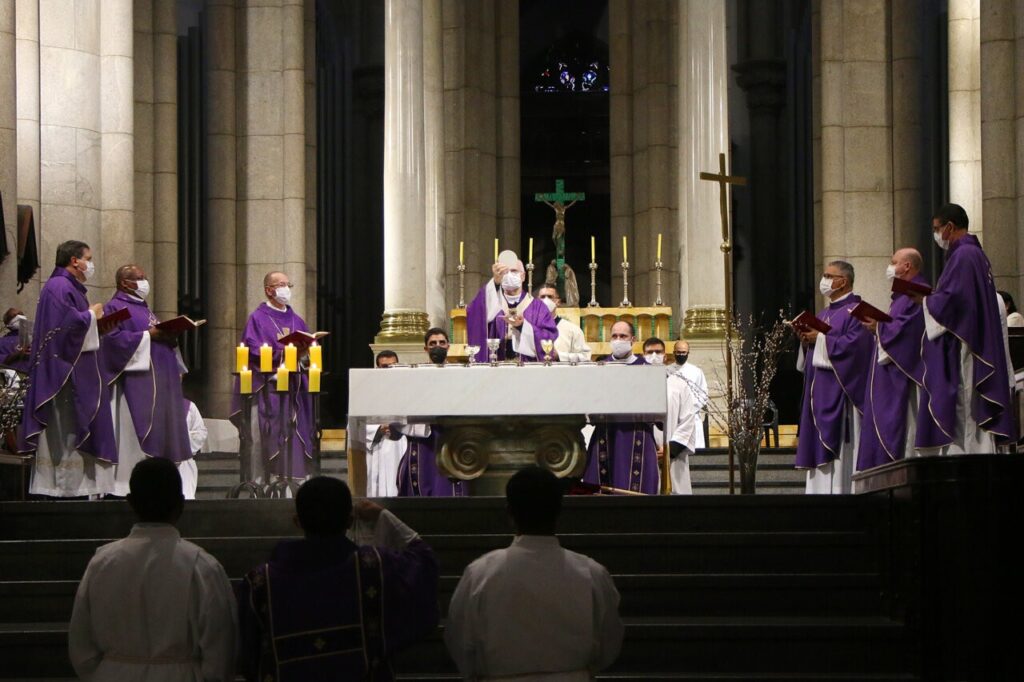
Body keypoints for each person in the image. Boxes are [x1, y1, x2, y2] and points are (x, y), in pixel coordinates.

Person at [237, 477, 439, 681]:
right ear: (350, 521)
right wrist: (382, 515)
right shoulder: (373, 568)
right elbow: (424, 562)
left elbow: (248, 659)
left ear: (297, 522)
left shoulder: (260, 584)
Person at [445, 467, 623, 680]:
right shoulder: (591, 573)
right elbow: (609, 642)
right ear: (559, 511)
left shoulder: (480, 574)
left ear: (509, 513)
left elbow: (460, 641)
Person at [68, 458, 237, 681]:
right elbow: (221, 651)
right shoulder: (201, 567)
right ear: (180, 503)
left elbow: (81, 646)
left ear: (130, 502)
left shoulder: (102, 563)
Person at [913, 204, 1016, 452]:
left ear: (950, 227)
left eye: (937, 229)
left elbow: (956, 301)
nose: (936, 235)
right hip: (974, 339)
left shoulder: (965, 255)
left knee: (967, 409)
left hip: (969, 345)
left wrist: (925, 300)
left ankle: (972, 467)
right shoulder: (972, 254)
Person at [20, 240, 119, 497]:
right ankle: (63, 489)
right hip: (63, 378)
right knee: (65, 433)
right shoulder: (59, 286)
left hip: (74, 371)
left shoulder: (68, 287)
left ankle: (72, 488)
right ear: (75, 260)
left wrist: (95, 322)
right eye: (89, 257)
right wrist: (91, 315)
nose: (91, 264)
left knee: (69, 432)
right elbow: (63, 329)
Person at [101, 264, 191, 497]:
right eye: (138, 278)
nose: (144, 282)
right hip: (136, 385)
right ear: (124, 283)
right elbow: (111, 342)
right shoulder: (115, 307)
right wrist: (148, 335)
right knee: (133, 436)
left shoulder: (144, 309)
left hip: (160, 380)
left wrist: (170, 336)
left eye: (145, 277)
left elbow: (156, 337)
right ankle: (125, 488)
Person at [794, 260, 873, 494]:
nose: (824, 280)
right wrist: (806, 341)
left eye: (829, 276)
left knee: (841, 457)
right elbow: (814, 352)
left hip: (841, 396)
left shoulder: (858, 312)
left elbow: (857, 351)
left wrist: (820, 340)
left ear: (843, 281)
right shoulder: (824, 313)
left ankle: (841, 492)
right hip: (818, 394)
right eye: (824, 275)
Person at [231, 271, 314, 484]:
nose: (286, 289)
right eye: (281, 284)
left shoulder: (297, 320)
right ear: (269, 290)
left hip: (294, 388)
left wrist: (306, 351)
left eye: (288, 284)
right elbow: (253, 349)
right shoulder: (257, 319)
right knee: (265, 436)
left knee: (296, 433)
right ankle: (265, 482)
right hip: (269, 388)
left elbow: (309, 353)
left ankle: (294, 483)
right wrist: (284, 353)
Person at [856, 249, 928, 471]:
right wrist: (879, 328)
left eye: (893, 262)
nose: (890, 266)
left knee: (904, 430)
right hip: (890, 374)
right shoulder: (902, 296)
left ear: (906, 266)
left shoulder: (917, 292)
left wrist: (879, 327)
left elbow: (911, 331)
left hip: (903, 377)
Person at [583, 321, 660, 494]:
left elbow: (656, 406)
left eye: (623, 336)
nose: (618, 340)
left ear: (632, 339)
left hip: (638, 434)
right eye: (615, 336)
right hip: (605, 433)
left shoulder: (647, 370)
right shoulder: (599, 368)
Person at [396, 328, 466, 496]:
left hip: (451, 433)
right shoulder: (416, 375)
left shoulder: (459, 373)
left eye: (442, 343)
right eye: (432, 343)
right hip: (425, 435)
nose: (438, 346)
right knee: (424, 475)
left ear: (448, 346)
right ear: (425, 348)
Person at [466, 258, 557, 362]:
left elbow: (548, 337)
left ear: (523, 276)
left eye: (514, 271)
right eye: (505, 272)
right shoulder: (492, 302)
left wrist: (522, 326)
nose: (509, 275)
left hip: (527, 369)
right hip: (495, 368)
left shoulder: (538, 307)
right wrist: (495, 282)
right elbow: (475, 313)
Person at [365, 350, 409, 497]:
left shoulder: (408, 391)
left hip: (401, 445)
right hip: (378, 445)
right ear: (377, 368)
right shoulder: (366, 391)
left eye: (393, 366)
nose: (389, 370)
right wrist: (378, 429)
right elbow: (355, 423)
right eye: (385, 367)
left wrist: (401, 428)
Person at [668, 340, 710, 451]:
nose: (681, 355)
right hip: (673, 417)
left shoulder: (696, 372)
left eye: (683, 352)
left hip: (692, 415)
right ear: (673, 353)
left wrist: (690, 408)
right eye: (678, 352)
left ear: (688, 353)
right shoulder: (666, 371)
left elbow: (703, 394)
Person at [537, 283, 591, 362]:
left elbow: (585, 357)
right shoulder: (529, 328)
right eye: (542, 297)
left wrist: (559, 356)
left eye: (550, 297)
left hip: (562, 373)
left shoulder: (572, 329)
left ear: (558, 302)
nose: (546, 300)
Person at [665, 372, 699, 494]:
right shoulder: (638, 384)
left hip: (674, 456)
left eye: (657, 351)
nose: (654, 356)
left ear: (664, 355)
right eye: (650, 351)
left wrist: (669, 450)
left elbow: (688, 419)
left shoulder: (678, 385)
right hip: (645, 454)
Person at [179, 399, 208, 499]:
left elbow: (201, 433)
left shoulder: (189, 406)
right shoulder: (154, 406)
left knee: (186, 500)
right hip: (160, 463)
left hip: (184, 463)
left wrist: (181, 437)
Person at [1, 307, 30, 373]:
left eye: (21, 314)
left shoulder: (37, 339)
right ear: (7, 323)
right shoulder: (2, 342)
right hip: (13, 379)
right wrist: (17, 355)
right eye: (14, 316)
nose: (19, 316)